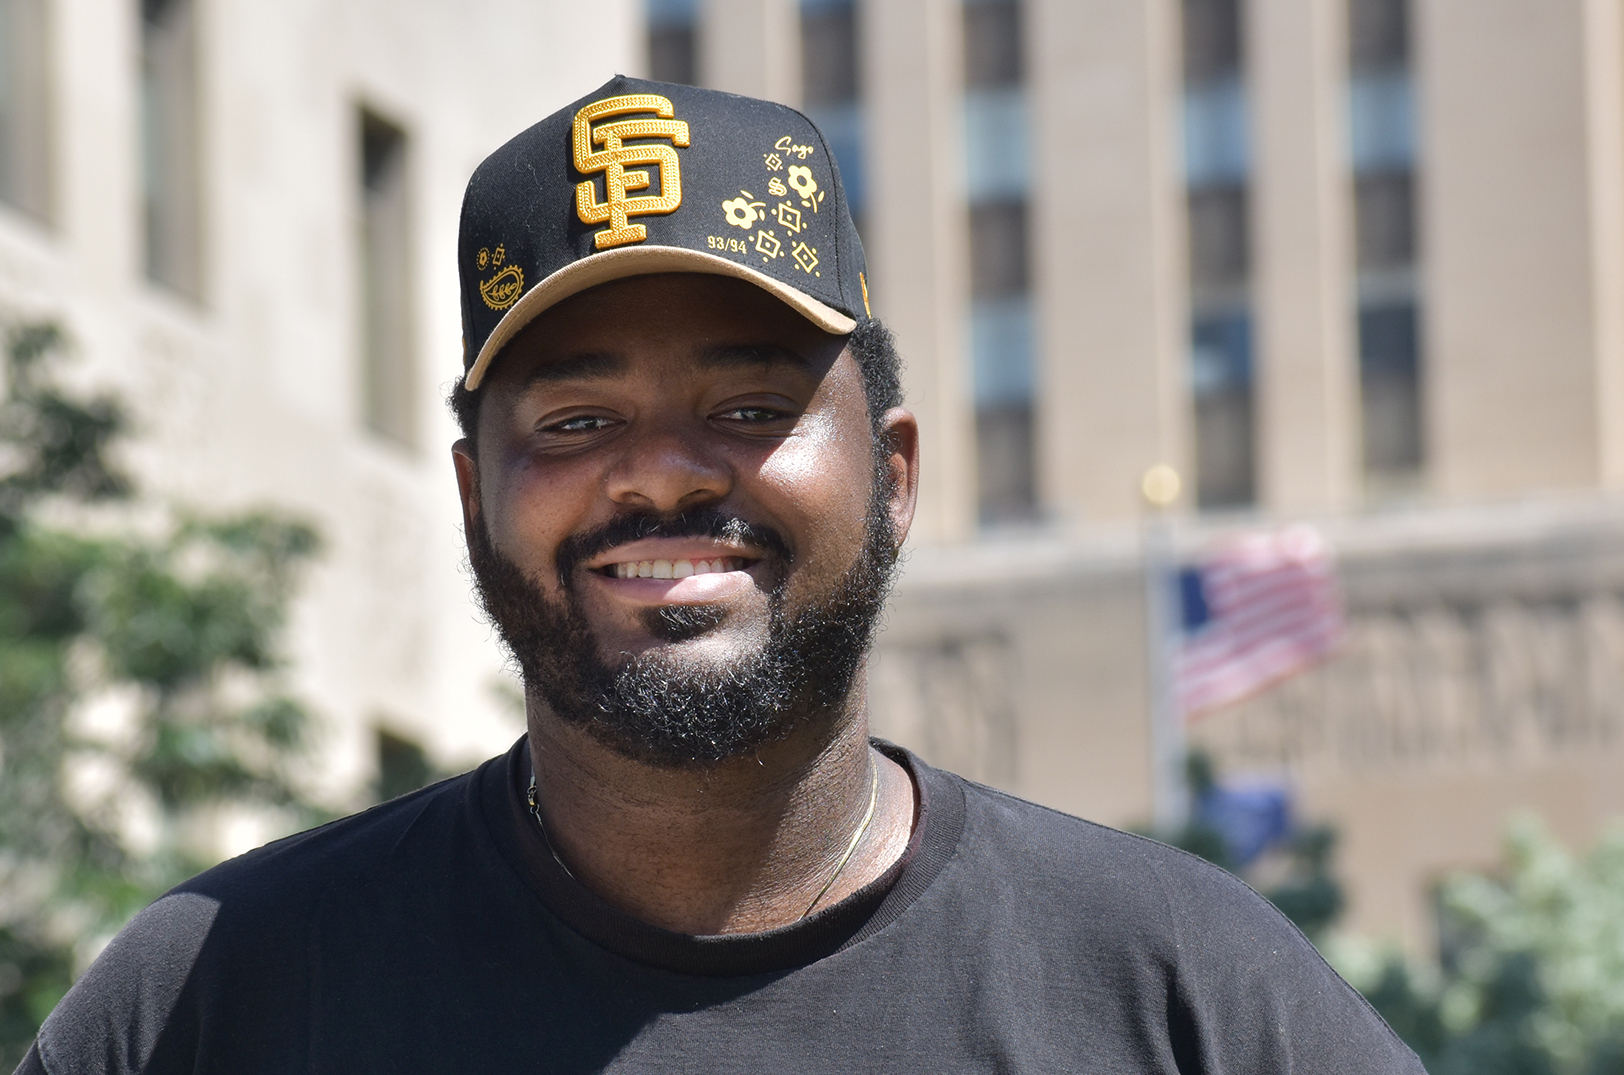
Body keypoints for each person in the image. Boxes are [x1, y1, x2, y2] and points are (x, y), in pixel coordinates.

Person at [17, 76, 1423, 1074]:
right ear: (472, 499)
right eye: (575, 422)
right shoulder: (218, 995)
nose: (661, 474)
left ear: (896, 475)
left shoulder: (1182, 993)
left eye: (750, 410)